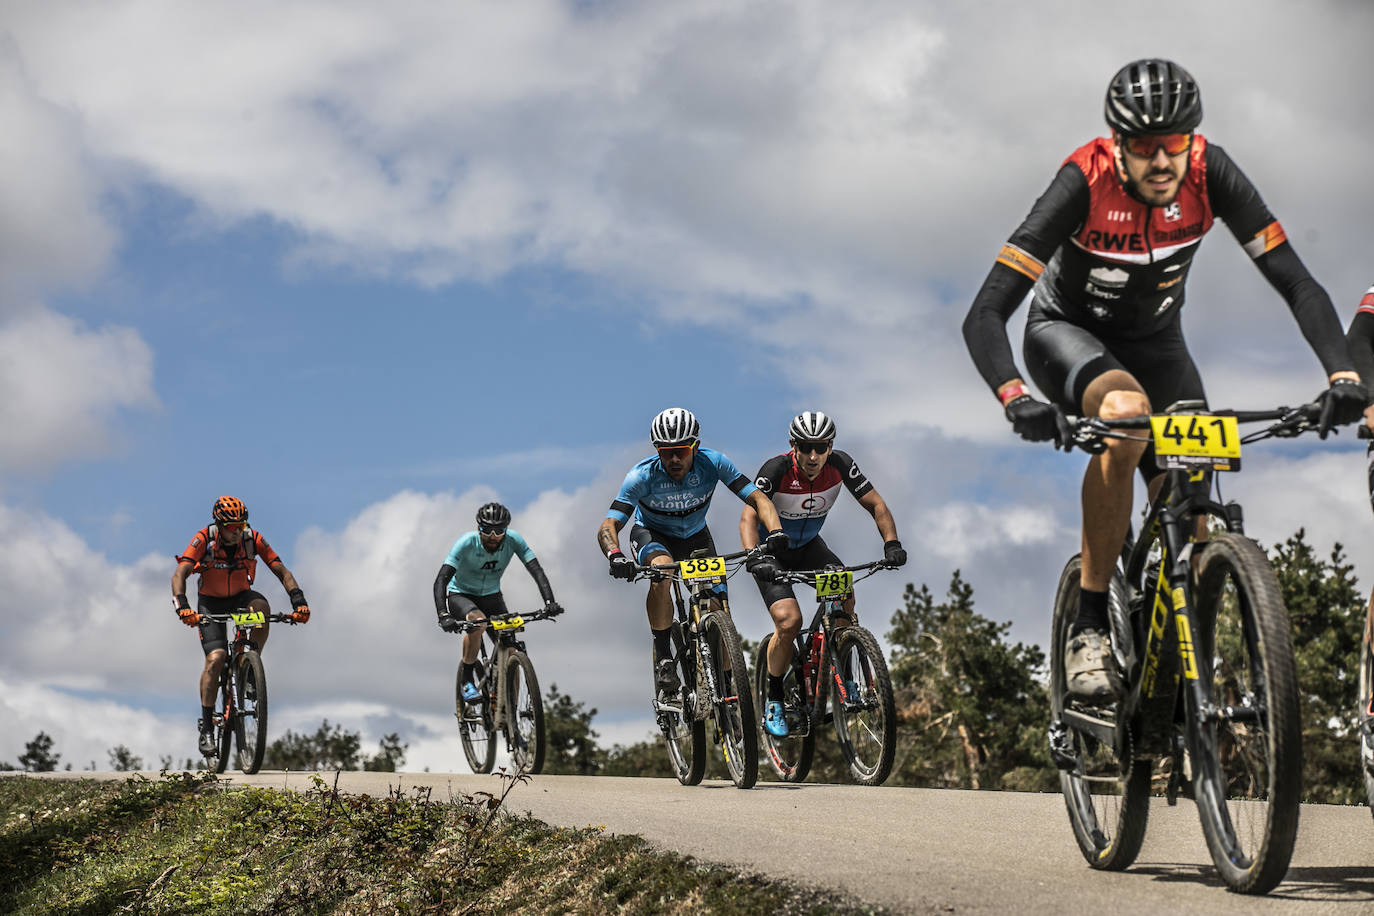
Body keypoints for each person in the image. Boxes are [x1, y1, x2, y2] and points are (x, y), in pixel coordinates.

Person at [962, 59, 1364, 702]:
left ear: (1192, 141)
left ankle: (1175, 671)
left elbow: (1297, 280)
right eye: (1144, 147)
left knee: (1195, 512)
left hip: (1159, 346)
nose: (1161, 161)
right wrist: (1015, 397)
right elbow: (986, 311)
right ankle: (1090, 624)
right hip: (1067, 335)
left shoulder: (1211, 173)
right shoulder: (1082, 180)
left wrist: (1342, 374)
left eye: (1174, 144)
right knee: (1125, 416)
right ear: (1117, 144)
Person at [598, 407, 787, 699]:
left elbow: (757, 498)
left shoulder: (713, 463)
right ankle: (663, 657)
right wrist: (615, 555)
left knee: (719, 609)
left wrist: (775, 532)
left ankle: (728, 690)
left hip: (695, 535)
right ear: (657, 450)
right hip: (653, 535)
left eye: (682, 451)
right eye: (666, 452)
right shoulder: (640, 476)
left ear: (695, 447)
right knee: (663, 571)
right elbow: (610, 524)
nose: (674, 459)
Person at [740, 411, 906, 737]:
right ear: (793, 446)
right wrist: (753, 556)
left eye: (821, 447)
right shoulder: (776, 470)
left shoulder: (841, 465)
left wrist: (892, 544)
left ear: (830, 446)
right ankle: (774, 698)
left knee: (845, 593)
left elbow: (877, 505)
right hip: (770, 552)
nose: (813, 456)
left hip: (810, 546)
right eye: (805, 447)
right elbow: (748, 517)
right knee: (789, 622)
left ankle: (843, 672)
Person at [173, 496, 311, 756]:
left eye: (241, 525)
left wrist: (299, 601)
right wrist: (183, 607)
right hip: (210, 605)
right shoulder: (203, 539)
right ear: (219, 524)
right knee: (216, 659)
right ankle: (206, 728)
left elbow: (283, 571)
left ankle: (250, 665)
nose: (237, 531)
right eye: (231, 527)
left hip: (240, 599)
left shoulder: (252, 539)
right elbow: (180, 573)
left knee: (262, 608)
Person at [433, 502, 563, 702]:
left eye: (499, 531)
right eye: (487, 530)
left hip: (492, 597)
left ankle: (511, 709)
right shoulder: (466, 543)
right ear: (479, 528)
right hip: (461, 595)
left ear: (506, 530)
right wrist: (443, 614)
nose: (492, 536)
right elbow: (441, 579)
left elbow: (536, 570)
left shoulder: (514, 540)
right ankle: (467, 679)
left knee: (512, 650)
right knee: (479, 622)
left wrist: (549, 602)